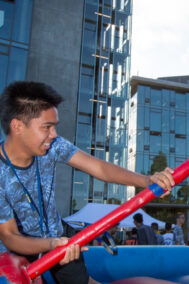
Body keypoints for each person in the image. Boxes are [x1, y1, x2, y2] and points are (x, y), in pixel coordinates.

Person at [0, 81, 175, 284]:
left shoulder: (53, 146)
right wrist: (51, 245)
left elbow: (99, 168)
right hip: (18, 249)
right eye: (47, 127)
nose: (54, 135)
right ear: (18, 126)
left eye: (54, 127)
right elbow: (9, 235)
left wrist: (146, 180)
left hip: (59, 237)